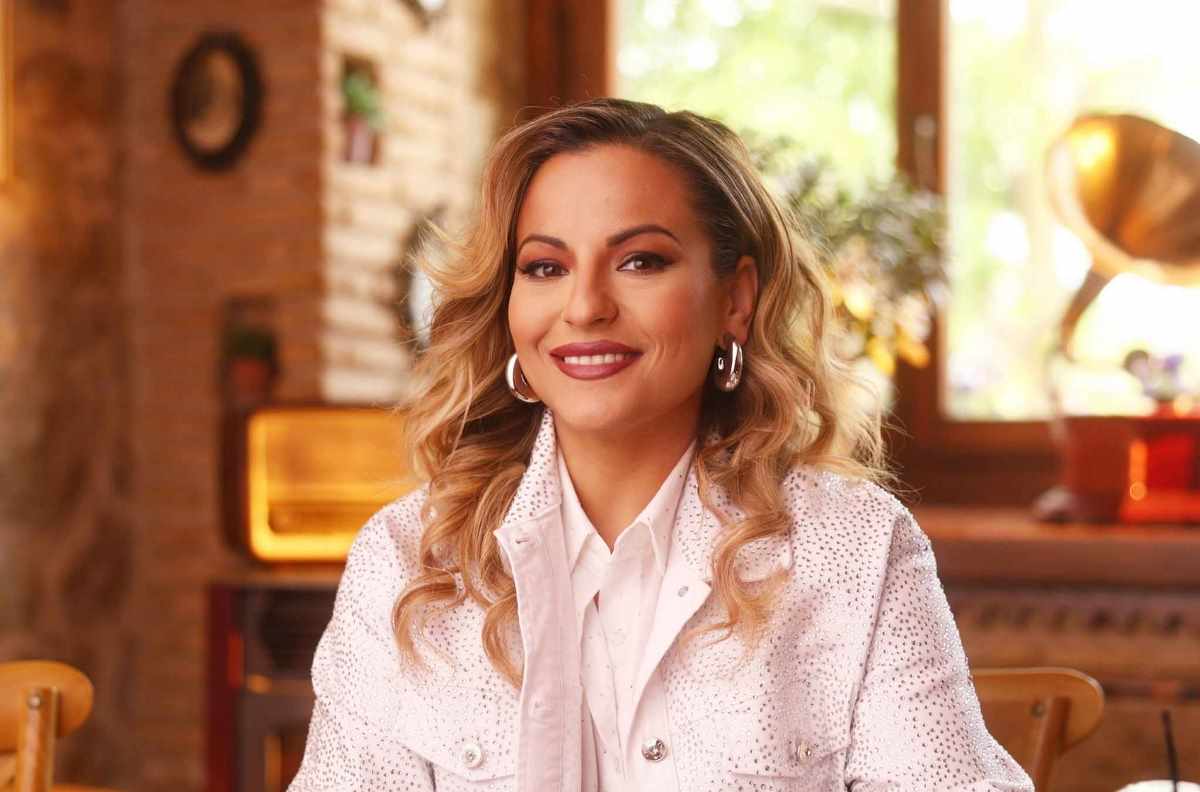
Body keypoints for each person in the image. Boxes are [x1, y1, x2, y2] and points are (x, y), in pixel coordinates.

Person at [289, 98, 1033, 792]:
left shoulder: (854, 547)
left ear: (735, 300)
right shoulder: (407, 560)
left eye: (640, 261)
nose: (585, 307)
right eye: (545, 267)